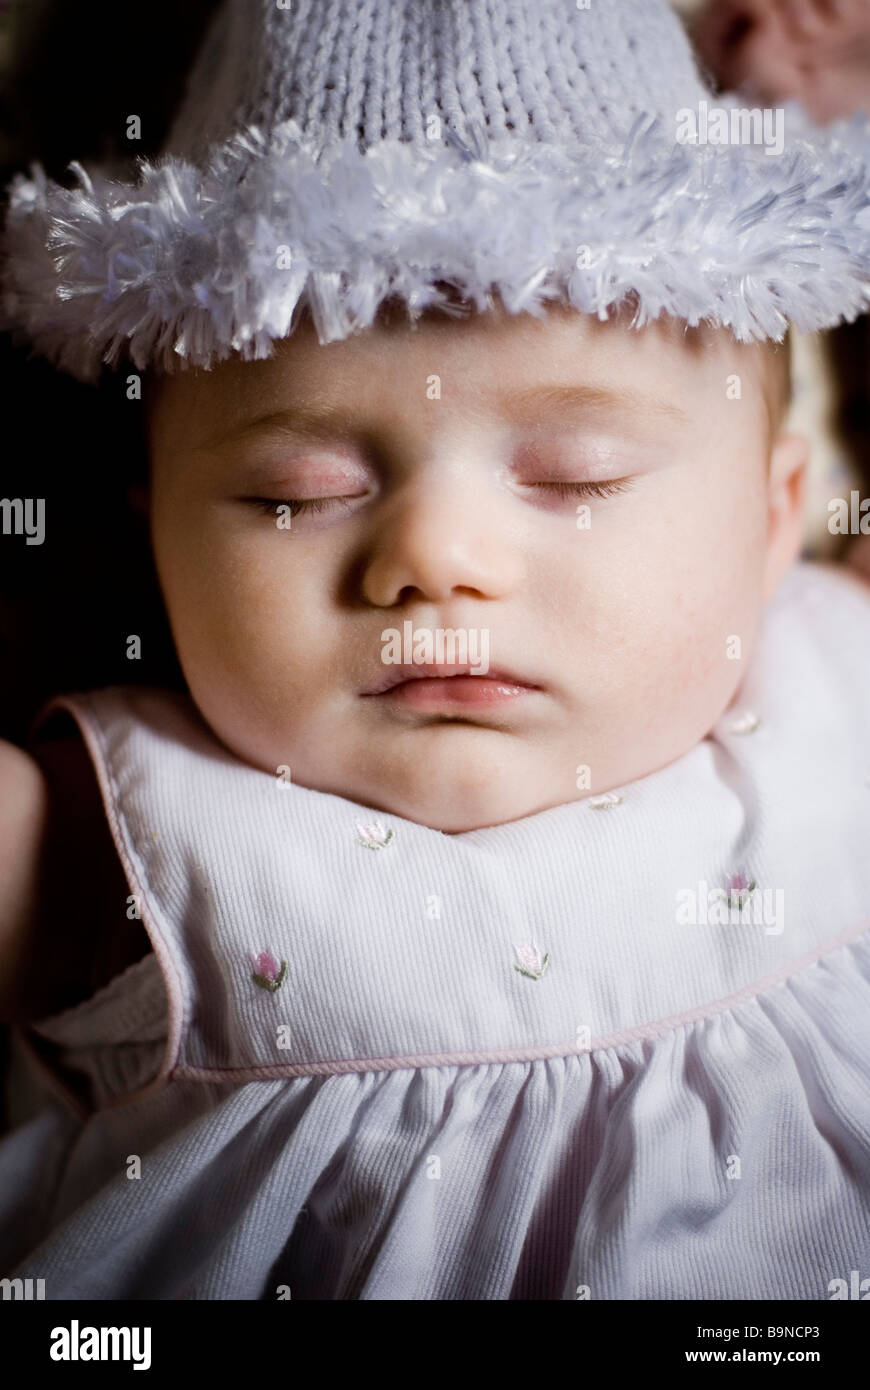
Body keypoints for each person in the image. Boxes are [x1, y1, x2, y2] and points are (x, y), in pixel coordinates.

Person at [1, 0, 869, 1300]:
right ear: (158, 537)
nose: (434, 555)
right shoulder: (126, 841)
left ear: (771, 516)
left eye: (573, 474)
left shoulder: (837, 674)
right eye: (294, 489)